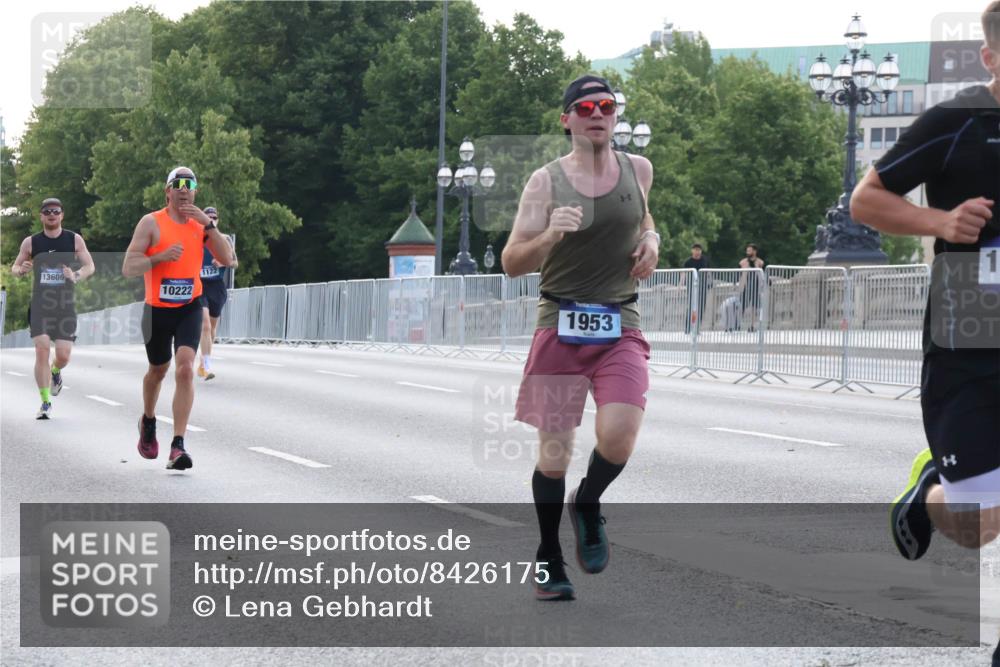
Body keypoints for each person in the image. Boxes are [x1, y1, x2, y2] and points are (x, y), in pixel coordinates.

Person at [852, 9, 1000, 664]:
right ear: (990, 57)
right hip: (967, 344)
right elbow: (866, 199)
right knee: (976, 523)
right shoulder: (957, 122)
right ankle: (932, 485)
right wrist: (940, 220)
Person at [502, 74, 658, 600]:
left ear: (616, 115)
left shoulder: (638, 170)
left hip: (620, 322)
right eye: (586, 106)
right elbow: (510, 263)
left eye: (607, 105)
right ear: (566, 118)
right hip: (560, 324)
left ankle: (587, 502)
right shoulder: (545, 183)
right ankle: (549, 557)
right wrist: (550, 234)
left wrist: (653, 239)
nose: (598, 113)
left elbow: (642, 215)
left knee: (619, 435)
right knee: (554, 454)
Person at [122, 167, 234, 470]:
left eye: (190, 184)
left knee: (185, 370)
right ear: (167, 191)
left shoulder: (201, 226)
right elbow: (129, 267)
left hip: (189, 305)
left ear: (195, 191)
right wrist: (159, 257)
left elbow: (228, 259)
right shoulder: (151, 223)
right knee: (157, 370)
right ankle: (147, 420)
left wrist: (209, 225)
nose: (184, 189)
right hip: (157, 309)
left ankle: (178, 445)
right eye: (178, 184)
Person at [9, 198, 95, 419]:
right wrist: (22, 269)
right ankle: (45, 401)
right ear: (41, 216)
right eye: (47, 211)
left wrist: (75, 275)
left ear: (61, 215)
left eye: (55, 211)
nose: (51, 214)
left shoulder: (74, 240)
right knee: (42, 349)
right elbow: (15, 267)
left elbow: (90, 266)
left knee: (63, 355)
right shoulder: (31, 243)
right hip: (40, 305)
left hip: (65, 305)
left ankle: (56, 371)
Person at [196, 206, 237, 380]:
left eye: (214, 217)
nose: (211, 219)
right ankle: (206, 366)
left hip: (217, 287)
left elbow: (235, 263)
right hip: (199, 285)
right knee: (204, 325)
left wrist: (223, 262)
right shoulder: (196, 237)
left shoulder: (225, 239)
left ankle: (203, 362)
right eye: (208, 216)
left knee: (212, 329)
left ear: (217, 220)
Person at [683, 243, 711, 333]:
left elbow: (708, 271)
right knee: (691, 307)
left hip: (703, 287)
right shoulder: (688, 261)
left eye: (699, 250)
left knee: (701, 307)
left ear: (701, 251)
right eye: (695, 249)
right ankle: (688, 328)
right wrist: (680, 285)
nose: (697, 251)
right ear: (692, 251)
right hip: (691, 287)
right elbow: (683, 273)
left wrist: (710, 282)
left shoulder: (705, 260)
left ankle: (697, 328)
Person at [738, 243, 765, 332]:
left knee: (754, 306)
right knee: (741, 305)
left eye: (749, 250)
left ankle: (752, 326)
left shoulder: (760, 262)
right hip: (745, 286)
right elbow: (738, 274)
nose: (748, 252)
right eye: (747, 250)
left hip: (756, 287)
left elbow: (763, 273)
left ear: (754, 251)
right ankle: (737, 324)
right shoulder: (743, 262)